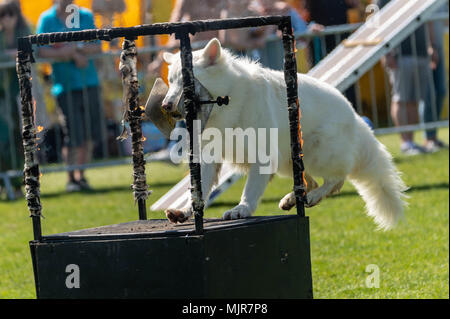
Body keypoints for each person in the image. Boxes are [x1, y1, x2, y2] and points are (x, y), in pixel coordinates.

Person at [36, 0, 103, 191]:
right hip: (63, 87)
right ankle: (71, 178)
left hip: (89, 83)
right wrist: (70, 53)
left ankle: (80, 176)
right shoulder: (47, 19)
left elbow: (97, 46)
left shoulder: (85, 15)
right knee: (73, 135)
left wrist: (75, 49)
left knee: (89, 134)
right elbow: (39, 50)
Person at [377, 0, 434, 155]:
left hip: (421, 53)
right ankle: (405, 143)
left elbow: (427, 17)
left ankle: (412, 142)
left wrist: (431, 45)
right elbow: (381, 24)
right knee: (400, 99)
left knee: (414, 100)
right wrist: (386, 53)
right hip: (399, 55)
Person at [0, 0, 31, 198]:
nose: (7, 19)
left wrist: (10, 55)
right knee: (3, 140)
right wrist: (11, 55)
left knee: (17, 140)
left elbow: (28, 53)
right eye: (4, 15)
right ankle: (5, 182)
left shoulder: (23, 33)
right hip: (2, 98)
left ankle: (17, 184)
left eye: (11, 14)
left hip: (17, 96)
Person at [422, 4, 448, 153]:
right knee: (427, 95)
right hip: (425, 50)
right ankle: (428, 137)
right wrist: (431, 46)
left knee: (441, 91)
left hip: (439, 49)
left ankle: (433, 136)